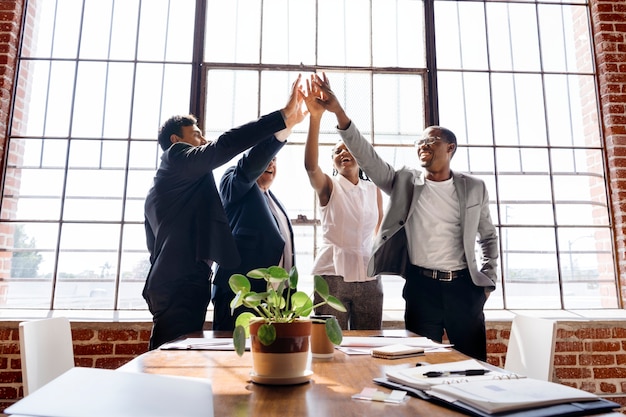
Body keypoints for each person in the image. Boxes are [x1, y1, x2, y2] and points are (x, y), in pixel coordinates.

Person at [310, 73, 498, 360]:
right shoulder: (405, 182)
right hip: (422, 289)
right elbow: (368, 157)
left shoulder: (473, 187)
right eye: (419, 141)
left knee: (473, 365)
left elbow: (488, 236)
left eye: (431, 140)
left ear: (450, 148)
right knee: (418, 366)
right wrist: (338, 112)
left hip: (465, 289)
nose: (423, 145)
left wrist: (487, 280)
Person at [143, 75, 305, 350]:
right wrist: (282, 116)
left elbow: (155, 246)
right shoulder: (175, 158)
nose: (203, 139)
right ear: (176, 140)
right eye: (196, 134)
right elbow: (226, 146)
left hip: (186, 281)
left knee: (181, 360)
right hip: (178, 283)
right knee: (169, 360)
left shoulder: (174, 185)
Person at [302, 75, 384, 330]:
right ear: (334, 161)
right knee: (328, 344)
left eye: (348, 148)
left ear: (360, 156)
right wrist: (316, 118)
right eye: (337, 151)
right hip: (331, 274)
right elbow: (310, 166)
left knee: (369, 341)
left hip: (369, 276)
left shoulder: (374, 189)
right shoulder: (329, 187)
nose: (343, 152)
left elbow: (378, 231)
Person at [211, 151, 295, 331]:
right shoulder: (234, 183)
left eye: (274, 160)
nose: (271, 164)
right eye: (266, 158)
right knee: (235, 355)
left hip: (275, 299)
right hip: (241, 292)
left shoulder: (275, 201)